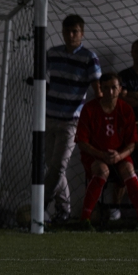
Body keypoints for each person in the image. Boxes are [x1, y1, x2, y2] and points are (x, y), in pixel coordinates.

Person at [44, 14, 102, 223]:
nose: (71, 35)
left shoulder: (89, 57)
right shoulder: (53, 53)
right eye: (67, 31)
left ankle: (40, 205)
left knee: (59, 166)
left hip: (72, 121)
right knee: (52, 167)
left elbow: (98, 92)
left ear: (82, 33)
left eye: (75, 31)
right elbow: (42, 78)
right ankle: (64, 210)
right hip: (48, 117)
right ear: (62, 32)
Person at [75, 73, 138, 231]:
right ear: (100, 89)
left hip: (119, 155)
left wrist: (119, 156)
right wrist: (101, 155)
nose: (110, 92)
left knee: (128, 169)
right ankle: (85, 219)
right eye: (105, 88)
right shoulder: (89, 109)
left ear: (120, 89)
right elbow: (82, 142)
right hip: (95, 156)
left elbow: (132, 144)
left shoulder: (126, 109)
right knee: (102, 170)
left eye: (114, 88)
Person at [108, 39, 138, 220]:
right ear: (131, 53)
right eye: (136, 51)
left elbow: (129, 97)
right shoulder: (123, 76)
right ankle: (115, 208)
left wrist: (133, 95)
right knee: (122, 167)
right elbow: (119, 100)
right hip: (127, 129)